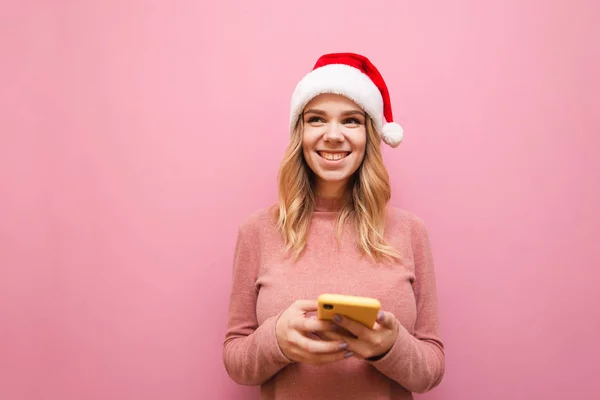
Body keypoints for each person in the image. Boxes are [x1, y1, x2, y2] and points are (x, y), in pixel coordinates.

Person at [222, 52, 445, 400]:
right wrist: (276, 338)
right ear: (300, 131)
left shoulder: (410, 231)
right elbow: (236, 360)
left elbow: (431, 369)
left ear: (369, 134)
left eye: (351, 121)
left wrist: (390, 346)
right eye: (317, 119)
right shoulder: (257, 231)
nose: (333, 135)